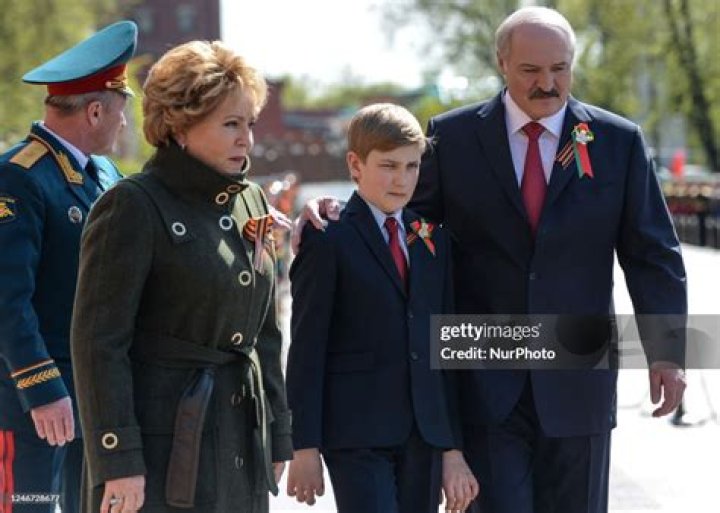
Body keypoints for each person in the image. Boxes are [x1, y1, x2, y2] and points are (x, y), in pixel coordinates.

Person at [295, 7, 687, 513]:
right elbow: (399, 215)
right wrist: (334, 213)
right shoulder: (452, 138)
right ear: (502, 63)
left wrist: (667, 351)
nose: (548, 84)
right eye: (531, 70)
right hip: (483, 378)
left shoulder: (618, 143)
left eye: (560, 69)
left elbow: (652, 253)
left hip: (578, 379)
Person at [70, 41, 292, 513]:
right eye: (231, 124)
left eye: (250, 123)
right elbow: (98, 345)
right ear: (179, 125)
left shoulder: (251, 200)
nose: (247, 140)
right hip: (161, 453)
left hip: (239, 443)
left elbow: (265, 335)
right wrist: (118, 459)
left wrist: (277, 432)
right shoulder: (132, 204)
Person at [286, 103, 478, 513]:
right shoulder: (328, 237)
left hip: (424, 435)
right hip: (356, 436)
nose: (402, 179)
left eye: (412, 166)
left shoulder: (432, 240)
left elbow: (444, 349)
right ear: (355, 164)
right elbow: (306, 348)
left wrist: (451, 448)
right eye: (389, 166)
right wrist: (304, 445)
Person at [0, 21, 136, 513]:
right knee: (29, 507)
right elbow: (7, 300)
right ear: (96, 111)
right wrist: (42, 389)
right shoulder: (18, 177)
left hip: (93, 399)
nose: (125, 124)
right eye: (121, 110)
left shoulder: (106, 174)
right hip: (33, 406)